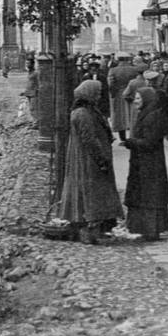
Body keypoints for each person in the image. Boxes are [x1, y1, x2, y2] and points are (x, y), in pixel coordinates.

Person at [59, 79, 123, 244]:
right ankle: (90, 230)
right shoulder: (83, 114)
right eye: (97, 93)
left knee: (92, 193)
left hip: (89, 158)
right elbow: (89, 139)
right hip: (88, 161)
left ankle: (93, 228)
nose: (99, 96)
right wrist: (101, 159)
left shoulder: (88, 110)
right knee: (91, 194)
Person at [123, 87, 168, 241]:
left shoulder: (152, 116)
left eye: (138, 98)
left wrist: (131, 142)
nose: (135, 101)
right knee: (145, 195)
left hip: (150, 163)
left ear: (146, 99)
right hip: (145, 162)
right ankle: (147, 229)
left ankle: (151, 230)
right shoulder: (148, 114)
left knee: (149, 195)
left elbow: (150, 142)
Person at [108, 52, 141, 142]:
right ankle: (133, 135)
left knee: (120, 116)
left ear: (118, 59)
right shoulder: (134, 69)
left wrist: (112, 95)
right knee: (132, 114)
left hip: (119, 93)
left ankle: (122, 138)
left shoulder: (113, 70)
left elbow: (111, 84)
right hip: (132, 93)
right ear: (127, 59)